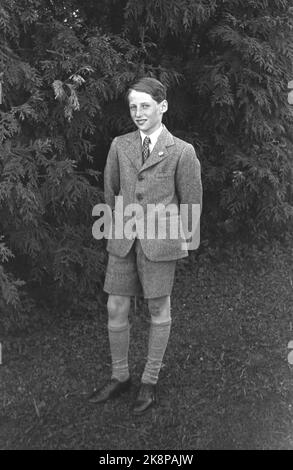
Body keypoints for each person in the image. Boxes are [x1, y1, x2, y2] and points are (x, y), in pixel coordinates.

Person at [88, 77, 202, 415]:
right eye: (133, 106)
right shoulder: (119, 145)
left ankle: (149, 380)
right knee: (115, 307)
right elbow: (110, 192)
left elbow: (191, 202)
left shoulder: (181, 151)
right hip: (123, 240)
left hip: (161, 243)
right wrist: (113, 229)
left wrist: (184, 242)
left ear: (162, 106)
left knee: (157, 310)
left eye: (145, 106)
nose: (138, 113)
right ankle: (120, 376)